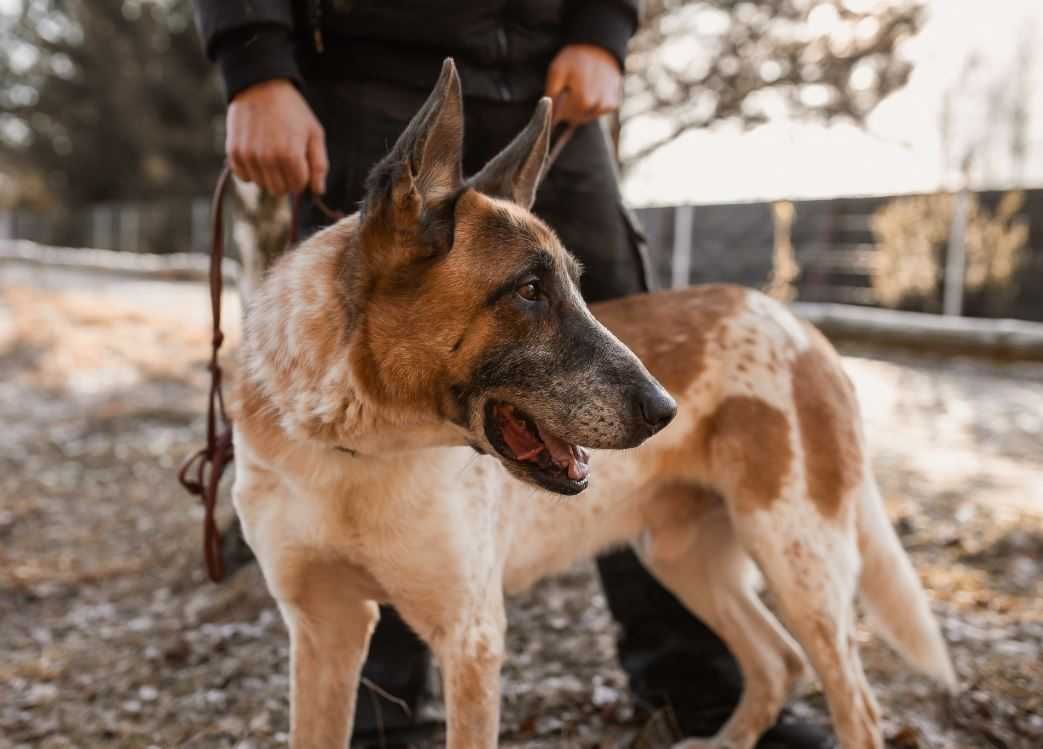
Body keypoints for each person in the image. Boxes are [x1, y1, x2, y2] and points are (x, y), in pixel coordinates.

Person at [191, 3, 833, 747]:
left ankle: (693, 687)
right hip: (362, 65)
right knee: (365, 383)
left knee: (606, 348)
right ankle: (383, 717)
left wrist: (603, 31)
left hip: (549, 69)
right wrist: (254, 63)